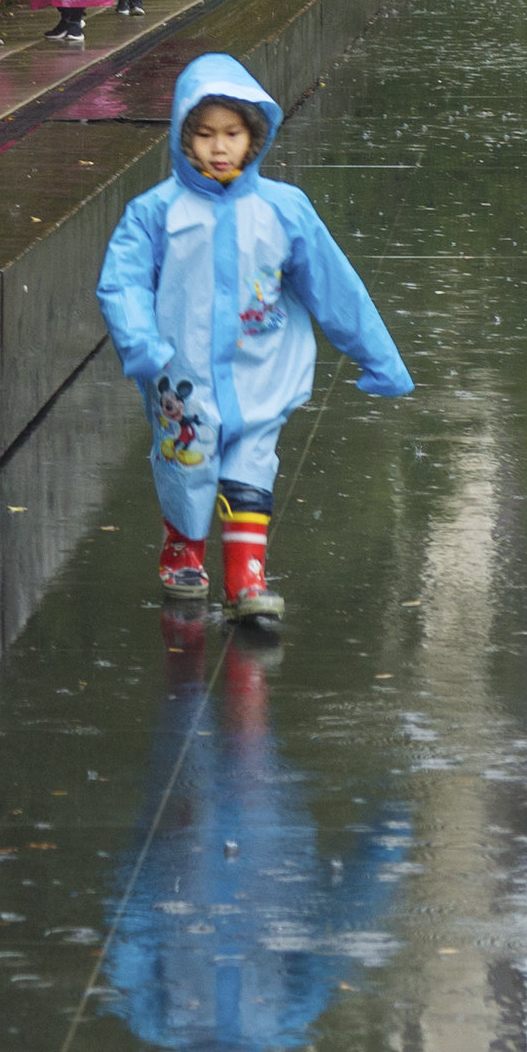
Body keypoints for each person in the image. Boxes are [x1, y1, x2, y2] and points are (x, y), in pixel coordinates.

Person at [96, 54, 412, 629]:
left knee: (252, 467)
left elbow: (333, 285)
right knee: (185, 465)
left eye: (233, 134)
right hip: (182, 374)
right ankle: (183, 550)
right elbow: (124, 281)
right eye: (205, 134)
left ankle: (247, 575)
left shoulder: (283, 209)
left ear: (254, 137)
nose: (220, 147)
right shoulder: (156, 212)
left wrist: (377, 355)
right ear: (183, 139)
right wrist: (139, 342)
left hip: (262, 370)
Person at [106, 607, 408, 1052]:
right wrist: (382, 849)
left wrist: (157, 863)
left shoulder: (160, 1019)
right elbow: (333, 928)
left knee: (182, 717)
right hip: (266, 848)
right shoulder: (286, 1016)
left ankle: (187, 625)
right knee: (248, 732)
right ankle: (245, 639)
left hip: (184, 848)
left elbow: (133, 938)